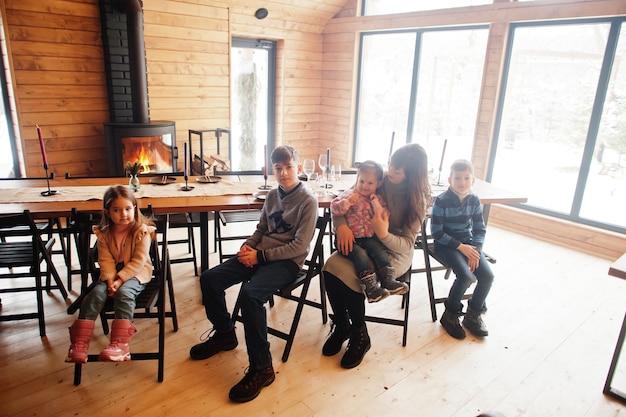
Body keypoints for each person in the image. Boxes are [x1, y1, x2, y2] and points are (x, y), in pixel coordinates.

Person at [189, 145, 318, 403]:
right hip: (260, 254)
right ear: (272, 170)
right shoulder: (271, 196)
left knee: (250, 296)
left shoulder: (308, 201)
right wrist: (249, 245)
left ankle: (263, 368)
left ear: (299, 168)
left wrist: (259, 256)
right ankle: (225, 333)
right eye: (278, 169)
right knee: (210, 278)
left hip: (286, 263)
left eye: (289, 167)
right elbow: (261, 229)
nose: (283, 174)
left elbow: (299, 247)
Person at [322, 143, 431, 369]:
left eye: (397, 171)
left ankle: (360, 335)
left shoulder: (417, 200)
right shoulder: (376, 178)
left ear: (412, 176)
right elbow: (347, 198)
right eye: (390, 164)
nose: (390, 171)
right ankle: (342, 325)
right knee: (330, 267)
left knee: (351, 276)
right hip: (363, 239)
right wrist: (340, 226)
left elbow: (406, 244)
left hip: (393, 252)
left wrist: (382, 232)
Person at [65, 185, 156, 363]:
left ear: (134, 209)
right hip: (111, 274)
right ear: (107, 212)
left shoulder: (141, 231)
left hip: (136, 273)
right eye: (117, 210)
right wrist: (109, 281)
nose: (123, 214)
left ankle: (120, 345)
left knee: (124, 293)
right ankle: (80, 343)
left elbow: (138, 261)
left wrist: (120, 280)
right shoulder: (104, 234)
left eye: (128, 209)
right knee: (95, 294)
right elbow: (105, 261)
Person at [431, 159, 494, 340]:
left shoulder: (474, 200)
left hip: (468, 244)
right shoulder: (442, 201)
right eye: (457, 178)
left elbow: (480, 229)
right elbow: (436, 232)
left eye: (466, 178)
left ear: (472, 181)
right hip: (446, 245)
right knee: (466, 276)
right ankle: (450, 315)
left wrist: (476, 250)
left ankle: (472, 315)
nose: (462, 182)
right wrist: (461, 247)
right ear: (450, 180)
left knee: (487, 276)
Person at [330, 160, 408, 303]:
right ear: (357, 179)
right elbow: (334, 208)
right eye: (361, 181)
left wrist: (376, 203)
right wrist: (347, 203)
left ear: (378, 184)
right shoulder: (349, 194)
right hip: (350, 240)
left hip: (368, 237)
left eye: (370, 183)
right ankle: (371, 290)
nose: (364, 186)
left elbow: (384, 214)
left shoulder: (377, 199)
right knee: (361, 255)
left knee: (379, 250)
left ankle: (388, 281)